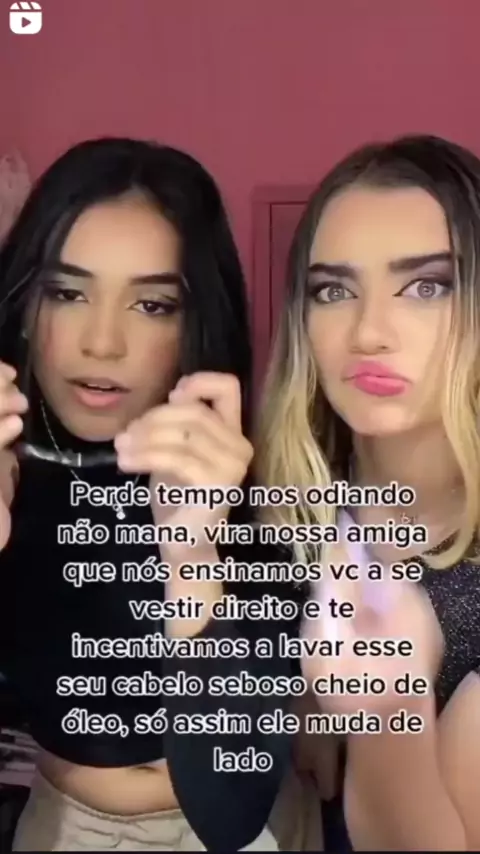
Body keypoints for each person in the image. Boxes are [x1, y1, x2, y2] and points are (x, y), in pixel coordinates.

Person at [0, 137, 301, 851]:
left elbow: (232, 807)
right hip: (62, 828)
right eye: (67, 292)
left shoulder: (249, 487)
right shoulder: (15, 472)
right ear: (24, 304)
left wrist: (193, 559)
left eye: (152, 304)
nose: (102, 343)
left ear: (196, 321)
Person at [256, 134, 480, 850]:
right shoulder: (275, 508)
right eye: (334, 290)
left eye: (427, 286)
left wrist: (386, 718)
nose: (368, 332)